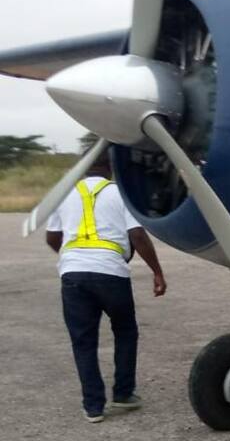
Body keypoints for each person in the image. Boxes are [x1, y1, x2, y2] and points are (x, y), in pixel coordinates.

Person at [46, 152, 166, 422]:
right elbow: (137, 235)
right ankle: (123, 394)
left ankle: (93, 407)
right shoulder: (120, 194)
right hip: (112, 272)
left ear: (84, 169)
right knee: (125, 332)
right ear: (110, 168)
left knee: (83, 341)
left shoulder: (63, 193)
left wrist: (71, 257)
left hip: (73, 274)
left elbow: (52, 237)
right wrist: (157, 271)